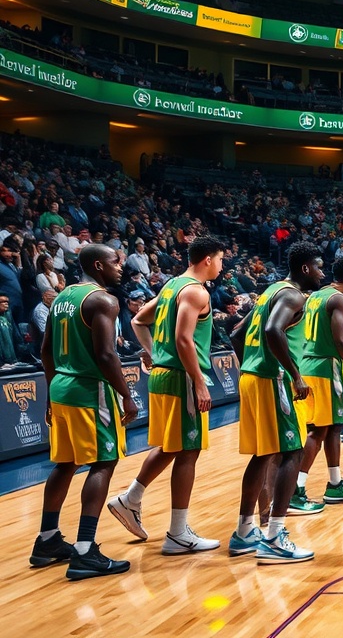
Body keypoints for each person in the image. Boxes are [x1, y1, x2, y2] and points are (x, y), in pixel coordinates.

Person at [108, 236, 226, 555]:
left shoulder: (171, 286)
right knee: (188, 451)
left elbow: (138, 320)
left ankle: (130, 498)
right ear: (207, 260)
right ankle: (177, 533)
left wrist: (152, 353)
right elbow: (184, 339)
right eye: (219, 259)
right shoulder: (195, 291)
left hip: (162, 375)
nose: (221, 266)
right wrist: (199, 381)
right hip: (180, 377)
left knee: (171, 446)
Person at [31, 244, 139, 580]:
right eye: (114, 262)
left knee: (66, 463)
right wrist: (127, 395)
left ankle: (47, 539)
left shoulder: (62, 297)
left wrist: (50, 392)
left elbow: (45, 350)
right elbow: (106, 355)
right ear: (98, 265)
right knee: (104, 462)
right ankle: (84, 550)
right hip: (89, 391)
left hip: (61, 388)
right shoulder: (103, 300)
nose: (120, 267)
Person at [228, 242, 324, 564]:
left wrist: (252, 364)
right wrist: (294, 374)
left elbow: (236, 334)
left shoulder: (269, 292)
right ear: (305, 268)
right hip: (274, 379)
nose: (322, 273)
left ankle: (245, 532)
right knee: (292, 452)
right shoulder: (293, 295)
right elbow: (273, 329)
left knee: (263, 453)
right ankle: (273, 537)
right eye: (318, 267)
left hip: (252, 376)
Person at [293, 257, 343, 509]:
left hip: (308, 365)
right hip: (326, 367)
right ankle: (296, 488)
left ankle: (335, 483)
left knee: (332, 428)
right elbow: (341, 340)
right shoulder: (339, 299)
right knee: (319, 431)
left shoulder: (316, 296)